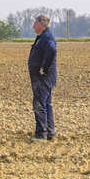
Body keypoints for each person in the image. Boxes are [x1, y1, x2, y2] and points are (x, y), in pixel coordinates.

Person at [27, 14, 57, 142]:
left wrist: (44, 68)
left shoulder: (47, 37)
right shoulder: (43, 36)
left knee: (39, 105)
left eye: (35, 23)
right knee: (46, 104)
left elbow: (51, 50)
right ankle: (50, 133)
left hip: (43, 78)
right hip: (45, 77)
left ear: (41, 25)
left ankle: (41, 135)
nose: (33, 26)